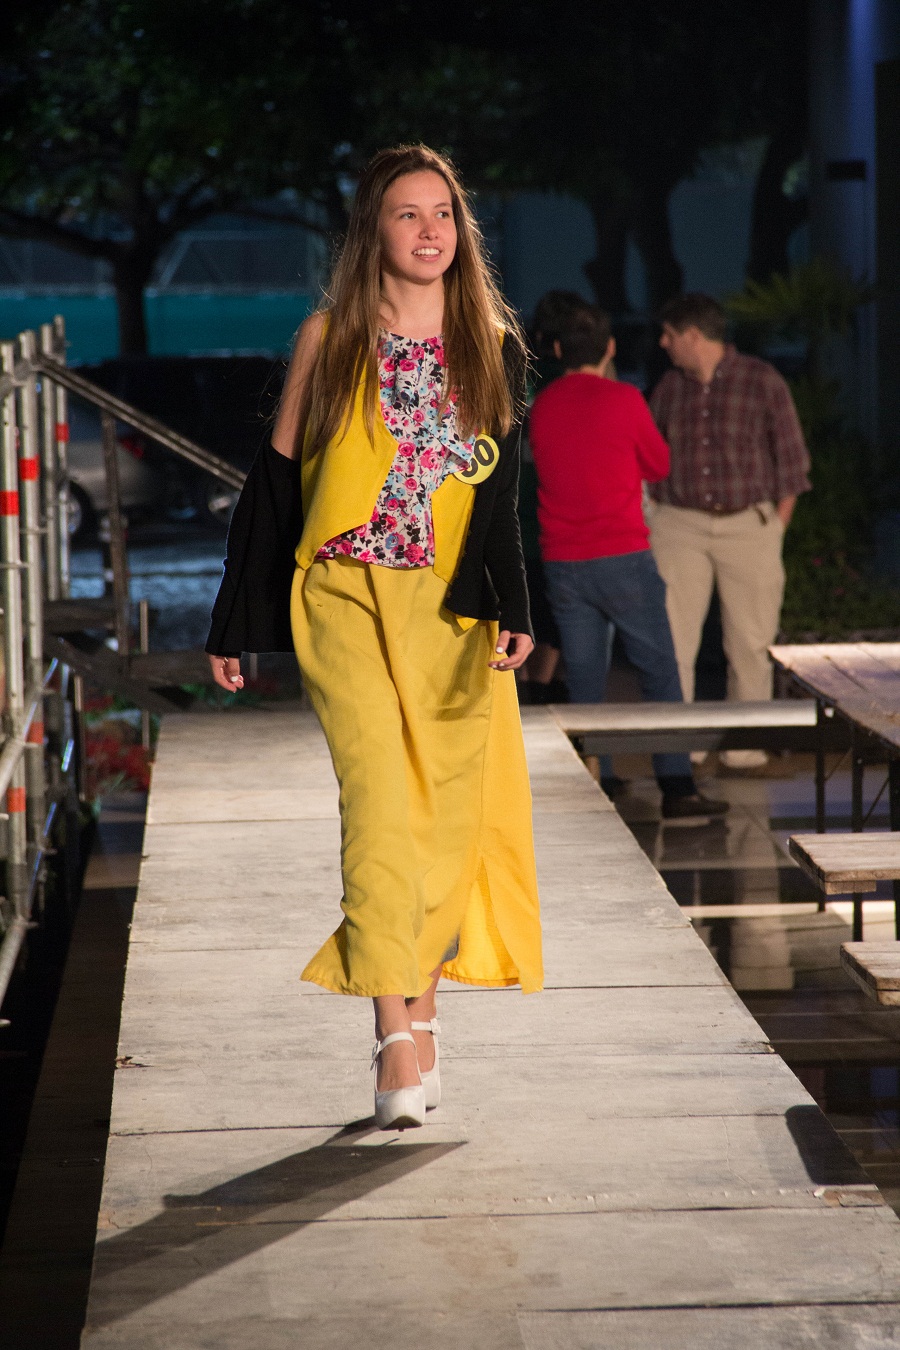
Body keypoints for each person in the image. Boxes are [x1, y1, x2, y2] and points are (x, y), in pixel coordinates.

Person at [205, 145, 543, 1132]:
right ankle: (395, 1030)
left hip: (450, 610)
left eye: (444, 213)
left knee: (446, 817)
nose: (430, 231)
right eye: (408, 214)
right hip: (345, 596)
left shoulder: (492, 344)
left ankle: (423, 1008)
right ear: (373, 230)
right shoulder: (331, 337)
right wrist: (236, 618)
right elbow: (275, 486)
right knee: (382, 805)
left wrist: (518, 608)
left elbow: (499, 500)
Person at [529, 304, 727, 822]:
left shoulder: (543, 406)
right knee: (658, 671)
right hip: (621, 556)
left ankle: (599, 779)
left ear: (557, 350)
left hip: (563, 561)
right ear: (610, 348)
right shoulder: (624, 399)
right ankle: (677, 788)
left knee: (585, 677)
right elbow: (658, 465)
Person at [648, 293, 811, 771]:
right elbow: (649, 455)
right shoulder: (669, 388)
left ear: (692, 335)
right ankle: (681, 749)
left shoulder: (761, 380)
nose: (663, 343)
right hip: (680, 524)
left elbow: (792, 461)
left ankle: (745, 746)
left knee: (749, 643)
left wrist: (774, 528)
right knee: (674, 640)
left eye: (669, 335)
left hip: (747, 525)